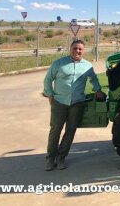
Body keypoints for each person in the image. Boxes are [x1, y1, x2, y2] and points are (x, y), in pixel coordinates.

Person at [43, 39, 106, 171]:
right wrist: (50, 95)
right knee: (55, 130)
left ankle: (61, 158)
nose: (77, 51)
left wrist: (98, 90)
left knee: (71, 130)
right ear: (70, 49)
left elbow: (93, 78)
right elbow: (48, 79)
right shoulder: (59, 64)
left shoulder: (87, 66)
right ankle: (50, 158)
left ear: (83, 51)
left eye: (80, 49)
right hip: (59, 102)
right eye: (75, 48)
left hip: (77, 103)